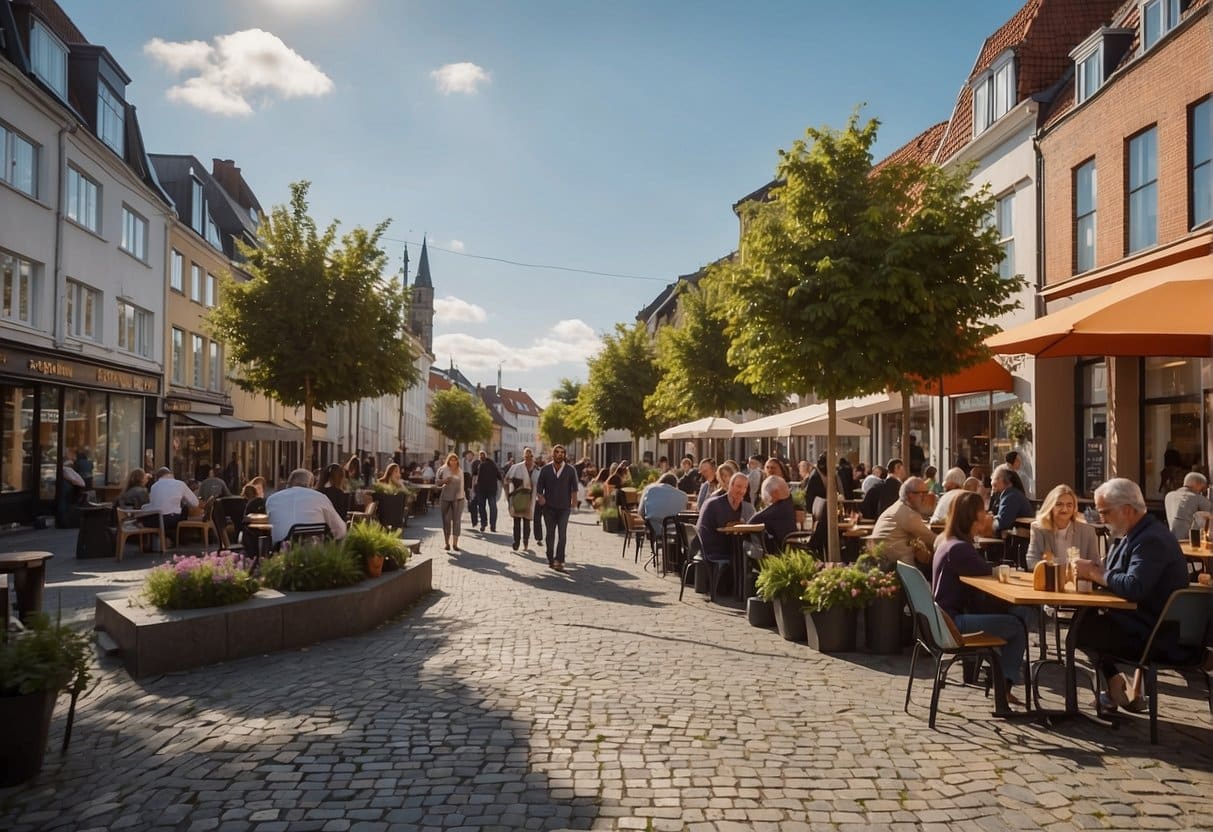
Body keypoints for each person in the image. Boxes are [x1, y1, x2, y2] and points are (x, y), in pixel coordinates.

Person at [1073, 479, 1190, 710]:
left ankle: (1114, 685)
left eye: (1105, 512)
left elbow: (1134, 586)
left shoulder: (1151, 539)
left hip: (1155, 634)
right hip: (1143, 622)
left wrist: (1096, 574)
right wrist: (1096, 570)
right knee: (1083, 622)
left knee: (1081, 630)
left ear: (1127, 509)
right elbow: (1114, 572)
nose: (1102, 519)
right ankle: (1117, 686)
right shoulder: (1134, 534)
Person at [932, 491, 1032, 708]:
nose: (988, 514)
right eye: (983, 510)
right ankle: (1003, 688)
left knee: (1020, 613)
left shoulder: (947, 542)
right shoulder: (959, 549)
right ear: (973, 516)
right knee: (1018, 626)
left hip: (945, 618)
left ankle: (999, 674)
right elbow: (988, 573)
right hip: (953, 623)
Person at [266, 468, 346, 547]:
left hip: (279, 552)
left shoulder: (272, 499)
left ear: (288, 484)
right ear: (310, 485)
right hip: (314, 554)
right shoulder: (320, 498)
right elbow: (341, 531)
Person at [1026, 484, 1100, 569]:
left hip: (1078, 579)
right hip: (1050, 578)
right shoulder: (1038, 528)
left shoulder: (1087, 531)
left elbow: (1095, 564)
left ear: (1074, 508)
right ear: (1050, 506)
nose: (1064, 509)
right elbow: (1032, 561)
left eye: (1069, 505)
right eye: (1059, 504)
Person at [870, 477, 936, 567]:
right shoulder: (908, 514)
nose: (926, 497)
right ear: (910, 495)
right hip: (897, 567)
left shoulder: (899, 507)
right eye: (923, 493)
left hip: (883, 562)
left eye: (927, 492)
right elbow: (933, 540)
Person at [537, 445, 579, 571]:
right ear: (552, 454)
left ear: (564, 455)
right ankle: (550, 558)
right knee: (550, 535)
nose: (560, 454)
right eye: (557, 452)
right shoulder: (545, 470)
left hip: (564, 508)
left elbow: (574, 488)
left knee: (562, 534)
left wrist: (574, 501)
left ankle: (559, 560)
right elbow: (539, 487)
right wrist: (541, 498)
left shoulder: (570, 470)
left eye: (562, 452)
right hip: (548, 508)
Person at [696, 472, 756, 559]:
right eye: (738, 486)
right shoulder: (713, 505)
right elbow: (707, 533)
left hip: (733, 549)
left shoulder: (747, 507)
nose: (742, 491)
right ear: (730, 486)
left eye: (745, 488)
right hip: (712, 550)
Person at [506, 447, 542, 550]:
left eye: (530, 456)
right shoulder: (516, 467)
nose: (528, 459)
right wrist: (509, 494)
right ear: (523, 457)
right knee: (516, 521)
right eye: (526, 456)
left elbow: (541, 485)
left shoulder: (537, 470)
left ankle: (525, 542)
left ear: (533, 457)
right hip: (518, 498)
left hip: (530, 500)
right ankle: (516, 542)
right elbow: (506, 480)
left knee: (527, 522)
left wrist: (540, 497)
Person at [144, 467, 199, 534]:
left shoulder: (154, 486)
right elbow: (195, 503)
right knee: (185, 509)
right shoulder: (180, 484)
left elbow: (152, 504)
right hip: (172, 519)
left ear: (157, 478)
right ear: (171, 474)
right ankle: (179, 538)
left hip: (156, 520)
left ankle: (167, 538)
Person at [750, 475, 796, 550]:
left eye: (765, 494)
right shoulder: (788, 503)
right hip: (788, 546)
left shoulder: (775, 511)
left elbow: (751, 523)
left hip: (779, 550)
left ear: (775, 493)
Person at [1163, 472, 1212, 540]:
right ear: (1197, 484)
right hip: (1188, 541)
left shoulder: (1168, 496)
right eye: (1202, 488)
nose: (1201, 492)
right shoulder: (1196, 498)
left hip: (1172, 538)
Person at [638, 472, 688, 538]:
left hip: (653, 526)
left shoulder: (650, 490)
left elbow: (641, 512)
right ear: (675, 484)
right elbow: (683, 513)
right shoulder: (683, 495)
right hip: (674, 529)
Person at [990, 464, 1033, 535]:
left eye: (996, 479)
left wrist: (987, 524)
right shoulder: (1011, 494)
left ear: (1007, 481)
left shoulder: (1011, 496)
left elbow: (1002, 523)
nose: (993, 488)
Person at [437, 453, 466, 551]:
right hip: (445, 498)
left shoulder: (460, 471)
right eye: (451, 460)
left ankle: (455, 544)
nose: (453, 462)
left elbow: (462, 486)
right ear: (448, 460)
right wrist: (444, 481)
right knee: (446, 521)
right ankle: (447, 543)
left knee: (457, 521)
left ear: (457, 461)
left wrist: (458, 498)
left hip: (458, 499)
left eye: (455, 460)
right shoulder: (442, 469)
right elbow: (437, 482)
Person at [473, 450, 502, 532]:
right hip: (486, 489)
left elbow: (475, 475)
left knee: (487, 507)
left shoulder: (486, 464)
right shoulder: (488, 464)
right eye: (481, 455)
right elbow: (499, 476)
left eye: (482, 455)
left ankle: (488, 524)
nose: (481, 457)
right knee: (488, 507)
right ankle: (488, 524)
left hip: (486, 489)